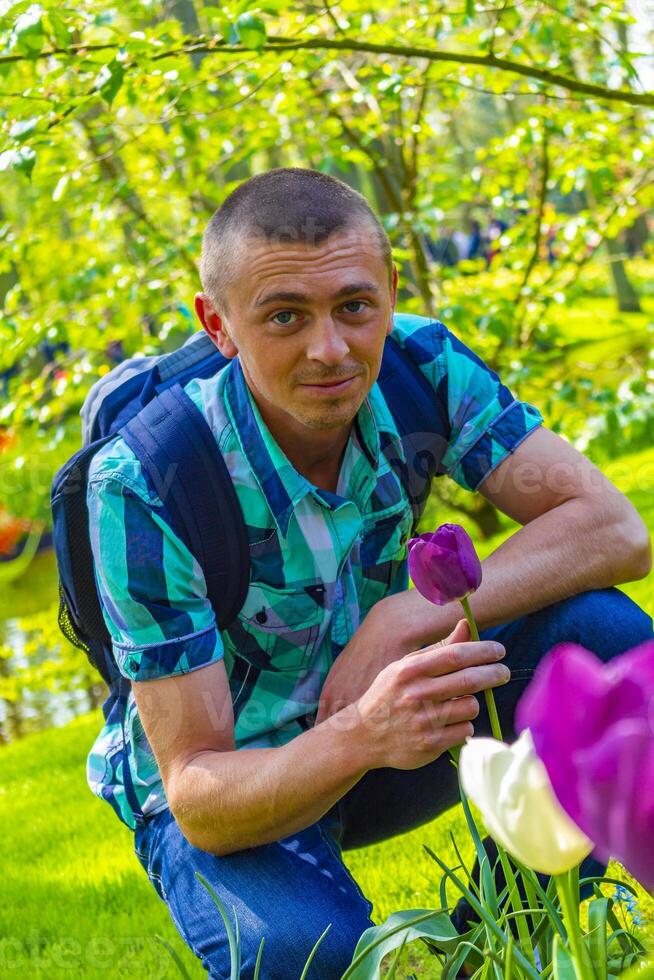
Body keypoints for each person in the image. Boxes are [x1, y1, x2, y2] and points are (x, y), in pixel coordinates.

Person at [86, 168, 653, 980]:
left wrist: (407, 616)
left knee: (607, 642)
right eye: (285, 316)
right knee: (309, 953)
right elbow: (199, 793)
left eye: (354, 306)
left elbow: (615, 529)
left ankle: (519, 937)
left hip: (395, 718)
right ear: (219, 325)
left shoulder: (421, 368)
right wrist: (358, 734)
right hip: (248, 785)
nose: (331, 350)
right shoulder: (149, 481)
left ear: (388, 290)